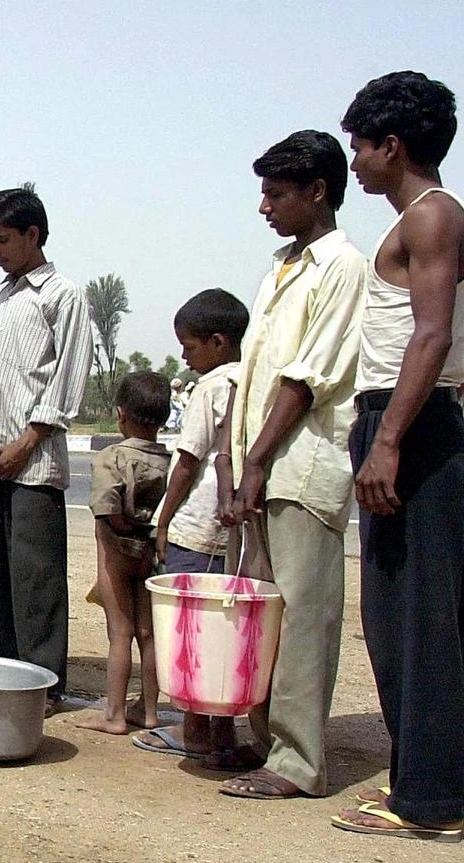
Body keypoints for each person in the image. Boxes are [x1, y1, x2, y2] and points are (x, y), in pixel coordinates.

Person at [216, 131, 368, 801]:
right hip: (262, 467)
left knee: (303, 617)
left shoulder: (341, 267)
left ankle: (299, 760)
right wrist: (236, 459)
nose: (263, 207)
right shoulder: (282, 265)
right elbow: (255, 374)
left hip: (300, 468)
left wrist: (253, 460)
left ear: (317, 192)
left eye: (275, 194)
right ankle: (266, 738)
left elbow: (306, 379)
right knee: (265, 615)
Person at [331, 71, 464, 842]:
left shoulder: (431, 216)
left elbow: (430, 335)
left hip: (409, 424)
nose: (354, 159)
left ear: (393, 145)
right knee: (394, 616)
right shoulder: (419, 218)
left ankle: (430, 799)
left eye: (360, 144)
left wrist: (386, 440)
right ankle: (428, 778)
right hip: (398, 419)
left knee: (416, 620)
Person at [0, 186, 94, 712]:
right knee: (0, 576)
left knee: (37, 579)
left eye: (2, 240)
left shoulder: (62, 295)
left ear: (33, 235)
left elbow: (68, 380)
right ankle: (3, 673)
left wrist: (28, 440)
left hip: (33, 463)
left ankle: (44, 683)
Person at [133, 288, 259, 770]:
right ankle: (222, 733)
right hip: (230, 535)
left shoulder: (210, 388)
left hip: (195, 525)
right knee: (222, 639)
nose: (184, 356)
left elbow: (187, 461)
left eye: (189, 346)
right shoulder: (251, 380)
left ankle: (193, 733)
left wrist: (163, 520)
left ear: (218, 342)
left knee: (189, 637)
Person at [78, 372, 171, 735]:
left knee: (120, 632)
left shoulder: (111, 458)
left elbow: (107, 509)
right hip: (151, 554)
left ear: (121, 415)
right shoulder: (170, 460)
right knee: (148, 633)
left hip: (116, 552)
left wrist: (122, 531)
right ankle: (148, 711)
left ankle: (114, 713)